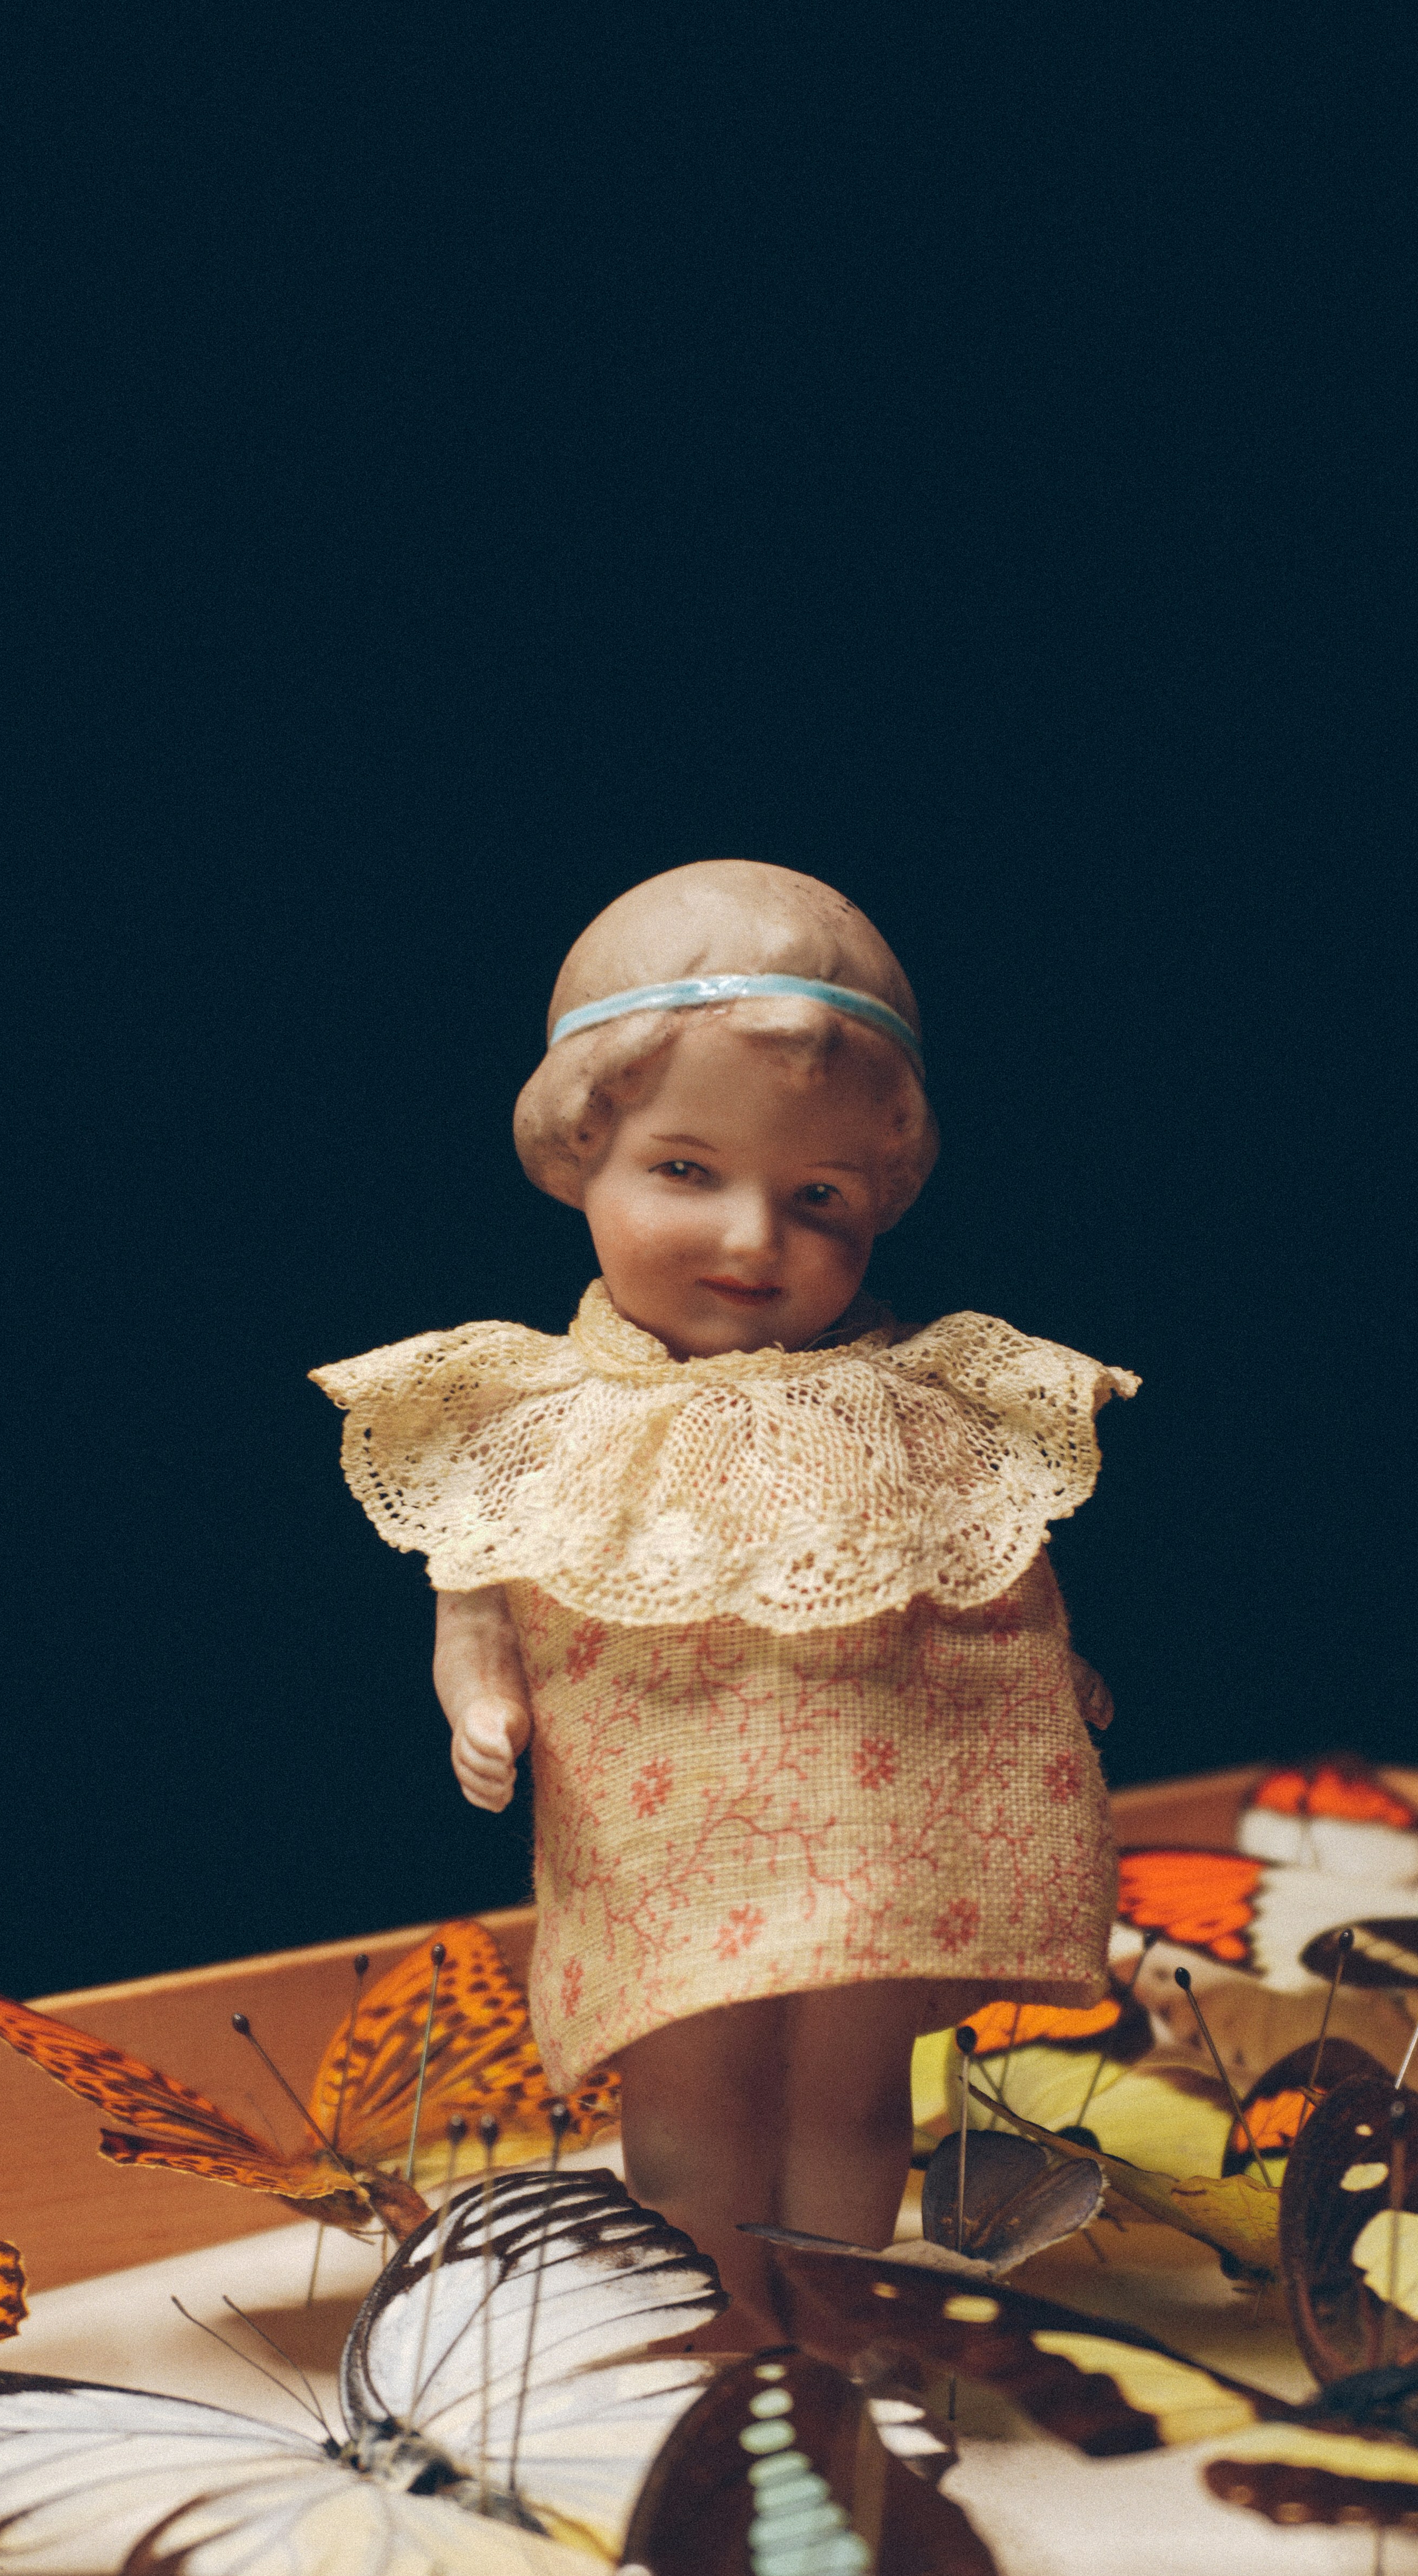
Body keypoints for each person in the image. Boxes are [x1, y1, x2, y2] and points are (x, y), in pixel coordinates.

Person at [314, 860, 1135, 2333]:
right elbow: (477, 1598)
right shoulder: (528, 1413)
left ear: (882, 1194)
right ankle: (706, 2336)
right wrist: (481, 1698)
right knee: (688, 2081)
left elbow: (991, 1554)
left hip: (878, 1831)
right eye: (687, 1172)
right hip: (663, 1839)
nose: (755, 1243)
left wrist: (1043, 1674)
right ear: (581, 1152)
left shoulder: (924, 1402)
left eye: (816, 1197)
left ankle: (830, 2334)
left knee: (845, 2090)